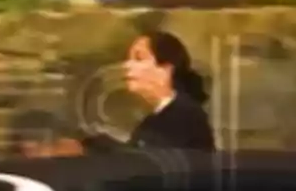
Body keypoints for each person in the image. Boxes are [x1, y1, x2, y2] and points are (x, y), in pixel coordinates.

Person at [84, 31, 216, 152]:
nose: (127, 66)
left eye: (139, 59)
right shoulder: (152, 120)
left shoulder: (187, 116)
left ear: (166, 69)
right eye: (128, 59)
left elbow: (148, 162)